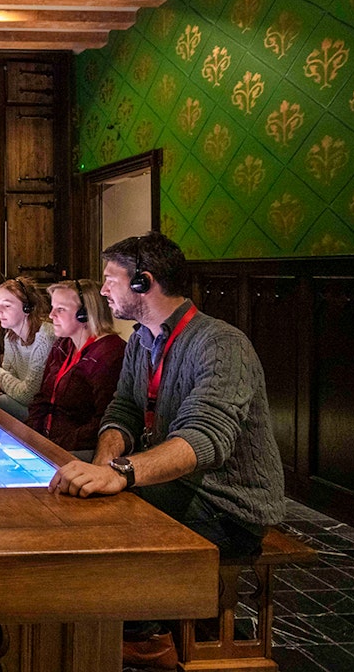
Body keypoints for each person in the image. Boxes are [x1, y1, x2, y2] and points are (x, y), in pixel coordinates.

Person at [48, 231, 285, 559]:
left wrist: (119, 472)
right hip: (173, 484)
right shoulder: (140, 339)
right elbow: (124, 409)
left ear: (142, 283)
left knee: (99, 524)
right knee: (64, 489)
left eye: (109, 280)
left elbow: (202, 438)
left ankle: (151, 608)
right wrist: (104, 462)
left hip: (226, 505)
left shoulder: (221, 344)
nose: (102, 291)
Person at [27, 279, 125, 456]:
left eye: (60, 309)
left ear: (85, 314)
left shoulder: (110, 354)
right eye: (52, 307)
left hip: (79, 451)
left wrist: (54, 447)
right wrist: (29, 437)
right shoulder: (62, 345)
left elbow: (103, 422)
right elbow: (42, 398)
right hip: (49, 444)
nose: (51, 315)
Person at [0, 277, 56, 422]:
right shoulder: (11, 336)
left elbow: (28, 396)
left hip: (44, 415)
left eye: (7, 305)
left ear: (26, 308)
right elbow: (9, 383)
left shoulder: (45, 336)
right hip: (24, 407)